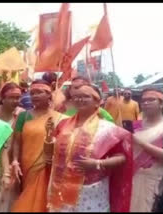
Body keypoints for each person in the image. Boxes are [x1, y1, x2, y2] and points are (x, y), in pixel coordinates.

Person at [46, 84, 133, 212]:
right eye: (76, 97)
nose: (79, 99)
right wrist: (48, 134)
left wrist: (98, 163)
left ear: (97, 102)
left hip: (91, 191)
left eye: (85, 96)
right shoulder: (62, 125)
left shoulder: (108, 129)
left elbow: (122, 157)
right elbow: (49, 155)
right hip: (61, 189)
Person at [11, 80, 67, 212]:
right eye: (32, 93)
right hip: (27, 165)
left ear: (49, 95)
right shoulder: (23, 116)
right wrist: (14, 160)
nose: (34, 96)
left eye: (39, 92)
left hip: (50, 165)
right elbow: (17, 142)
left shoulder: (61, 119)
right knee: (27, 195)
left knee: (46, 197)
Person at [0, 82, 24, 211]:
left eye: (18, 97)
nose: (15, 100)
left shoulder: (22, 114)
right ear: (3, 97)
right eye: (11, 97)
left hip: (14, 158)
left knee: (10, 193)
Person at [130, 88, 163, 212]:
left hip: (153, 178)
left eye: (151, 99)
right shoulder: (135, 125)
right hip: (131, 176)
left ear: (161, 103)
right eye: (143, 101)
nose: (146, 103)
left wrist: (140, 143)